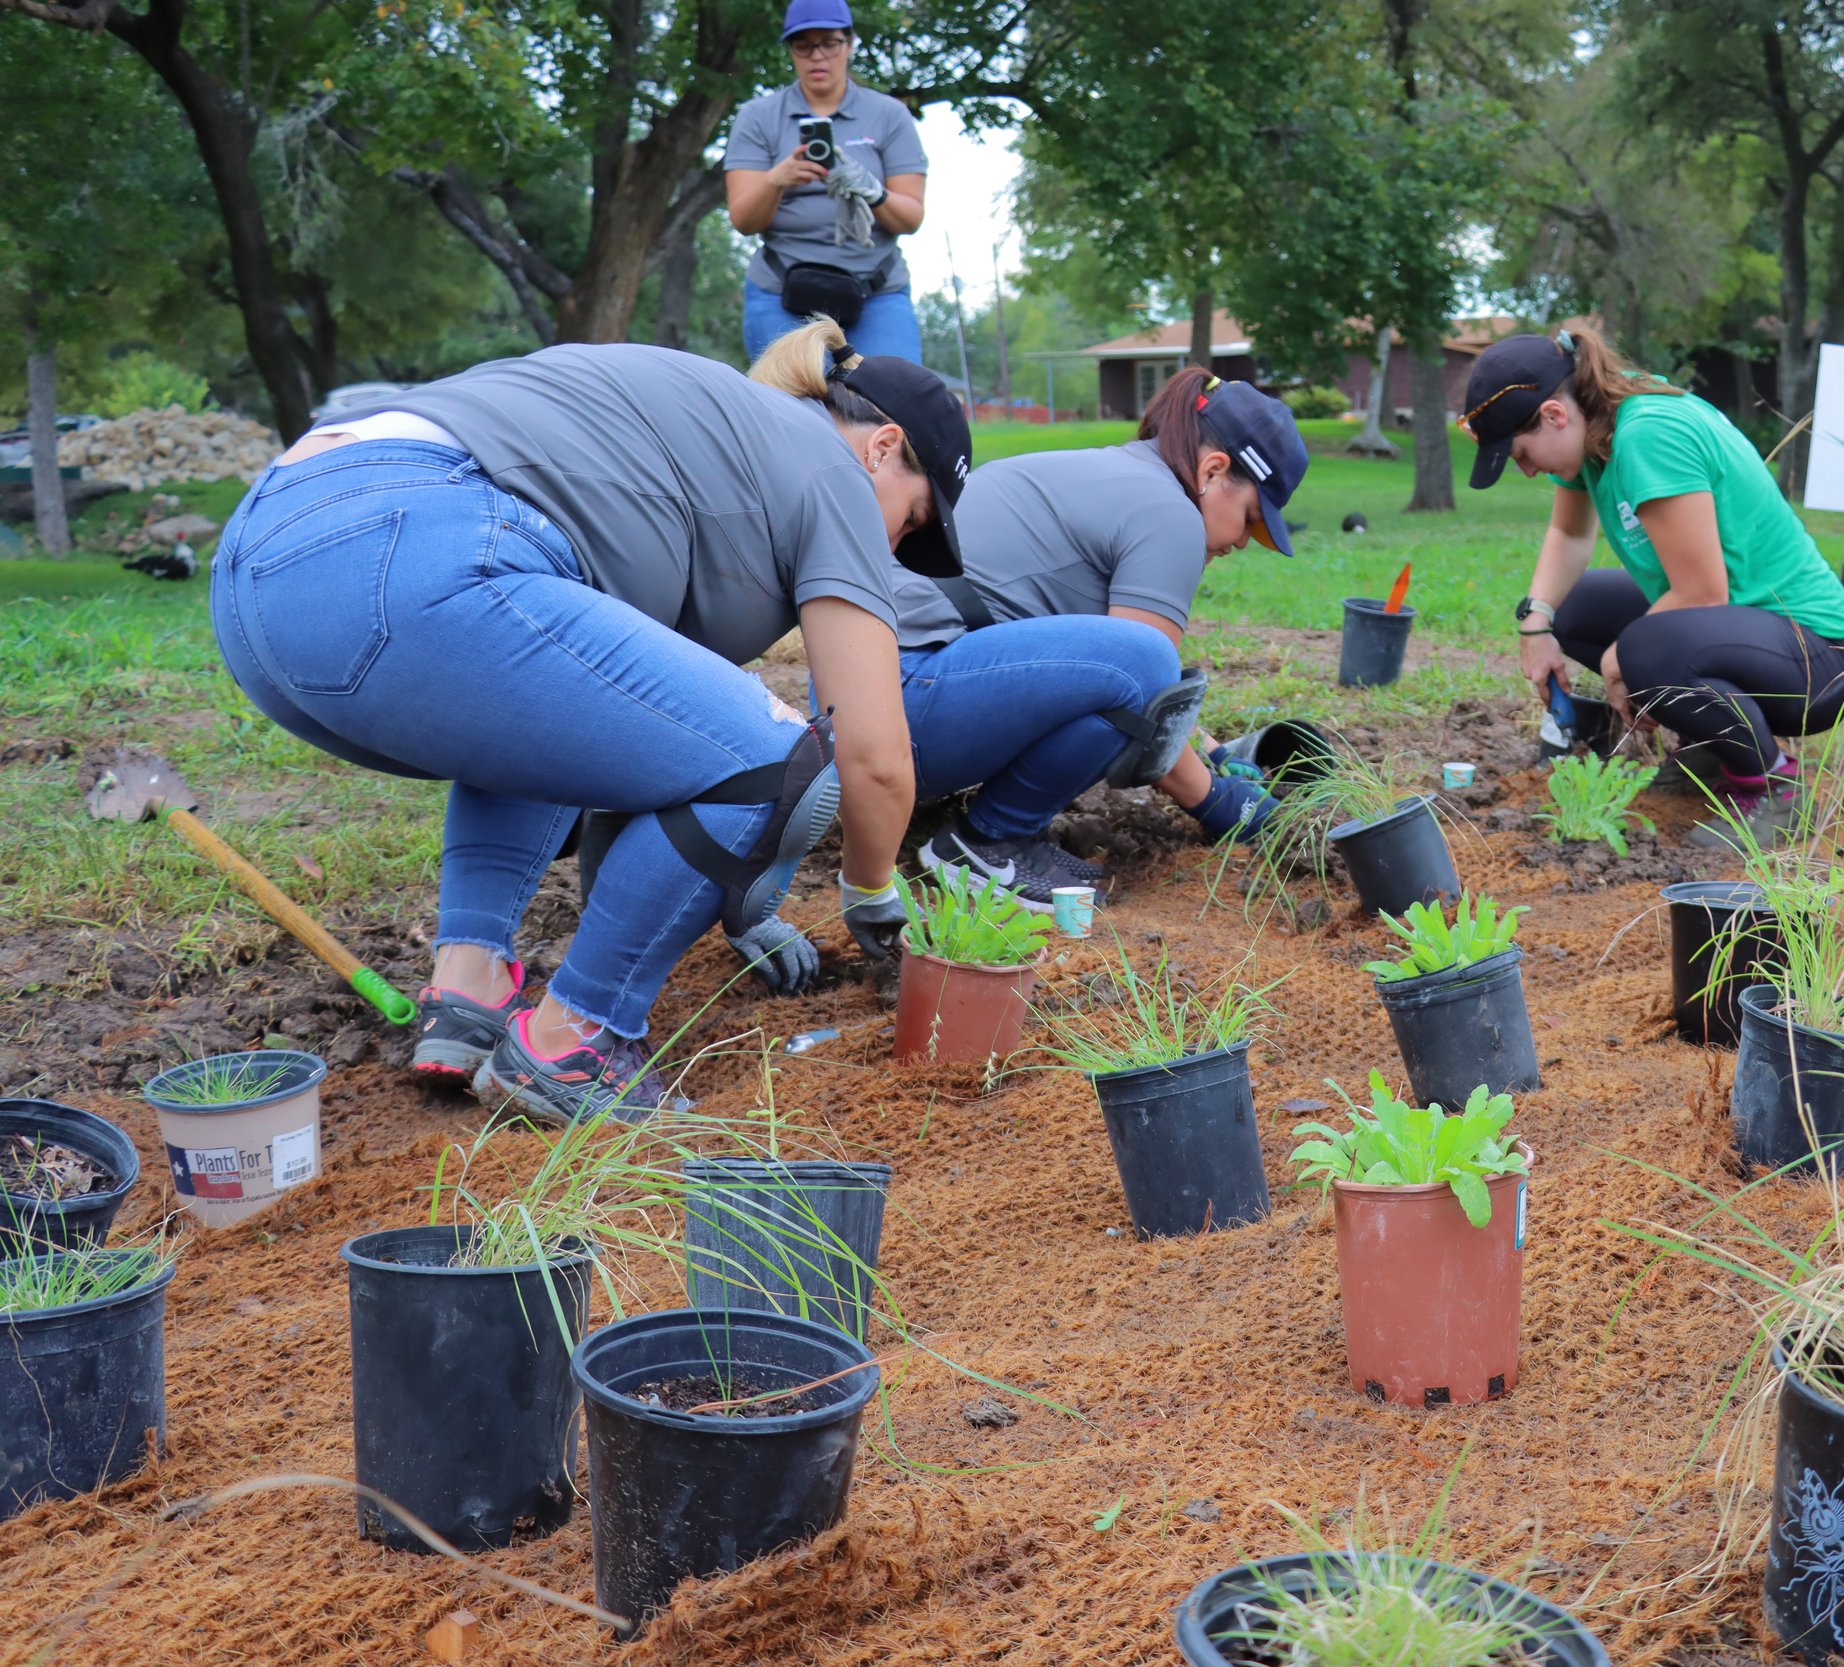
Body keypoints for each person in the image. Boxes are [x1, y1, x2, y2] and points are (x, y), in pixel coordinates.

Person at [208, 329, 970, 1123]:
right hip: (409, 555)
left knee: (554, 715)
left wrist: (740, 893)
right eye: (912, 523)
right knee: (783, 765)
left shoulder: (714, 432)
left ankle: (467, 996)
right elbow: (873, 757)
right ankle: (576, 1044)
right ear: (883, 448)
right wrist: (871, 887)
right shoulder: (832, 471)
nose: (894, 552)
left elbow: (624, 746)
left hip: (265, 574)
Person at [1459, 326, 1844, 845]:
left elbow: (1701, 593)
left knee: (1643, 647)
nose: (1524, 470)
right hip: (1744, 631)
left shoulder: (1648, 433)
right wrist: (1535, 623)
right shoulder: (1596, 419)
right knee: (1576, 609)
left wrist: (1617, 660)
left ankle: (1772, 787)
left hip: (1818, 661)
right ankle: (1717, 748)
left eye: (1520, 453)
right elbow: (1568, 532)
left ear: (1554, 415)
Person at [889, 369, 1309, 858]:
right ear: (1213, 470)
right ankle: (990, 841)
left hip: (879, 712)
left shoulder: (1119, 473)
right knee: (1144, 664)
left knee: (1130, 669)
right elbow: (1148, 695)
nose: (1240, 542)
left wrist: (1213, 752)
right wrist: (1217, 800)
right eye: (1250, 520)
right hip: (912, 721)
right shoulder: (1170, 514)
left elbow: (1107, 675)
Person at [726, 0, 928, 364]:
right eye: (803, 45)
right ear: (791, 50)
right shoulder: (757, 117)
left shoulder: (889, 115)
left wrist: (873, 191)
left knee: (894, 405)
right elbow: (743, 220)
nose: (817, 56)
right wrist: (777, 179)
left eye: (829, 43)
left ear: (849, 44)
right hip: (781, 290)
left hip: (876, 290)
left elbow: (911, 218)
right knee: (795, 411)